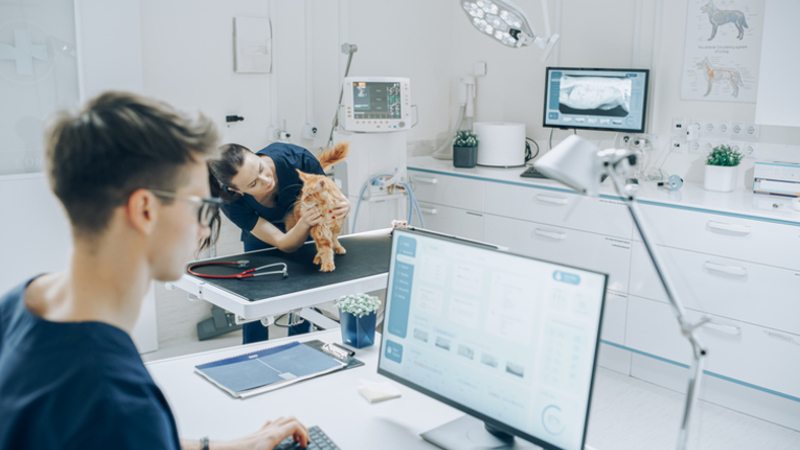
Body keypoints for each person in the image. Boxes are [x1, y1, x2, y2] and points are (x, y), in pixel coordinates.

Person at [0, 91, 310, 450]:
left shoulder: (20, 304)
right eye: (199, 206)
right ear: (145, 210)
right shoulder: (115, 399)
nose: (205, 230)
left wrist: (239, 445)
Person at [204, 143, 350, 344]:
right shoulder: (231, 201)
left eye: (261, 169)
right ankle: (253, 353)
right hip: (261, 241)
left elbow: (332, 197)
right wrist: (305, 221)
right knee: (255, 303)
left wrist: (343, 205)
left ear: (255, 154)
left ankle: (302, 346)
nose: (266, 181)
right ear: (236, 190)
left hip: (306, 225)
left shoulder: (298, 159)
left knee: (306, 295)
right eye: (253, 183)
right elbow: (283, 243)